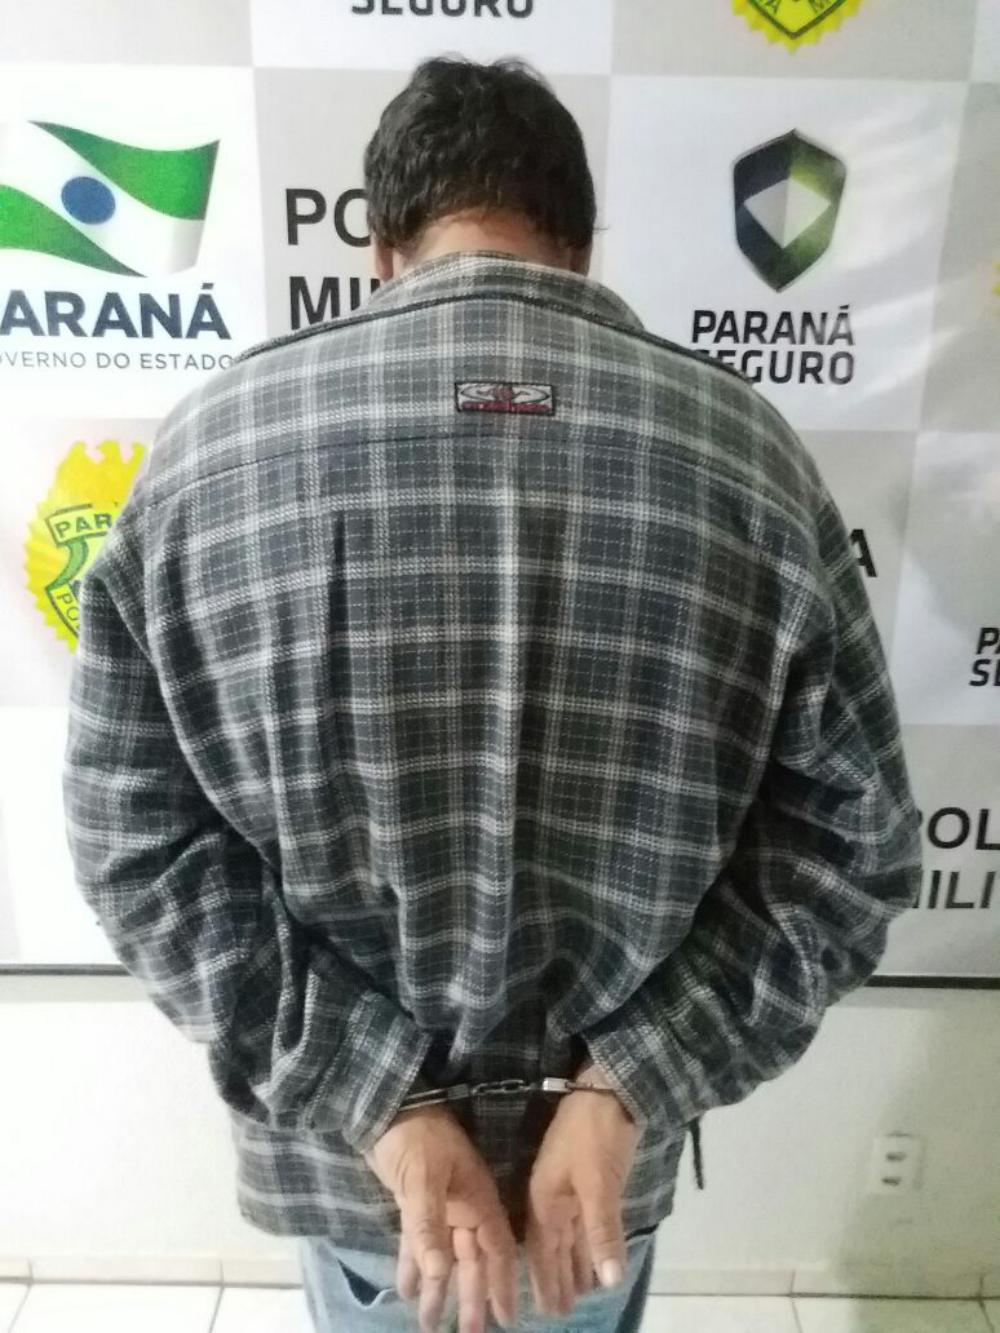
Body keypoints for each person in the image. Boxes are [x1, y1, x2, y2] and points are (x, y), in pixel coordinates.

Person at [63, 53, 923, 1333]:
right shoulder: (749, 458)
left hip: (366, 1184)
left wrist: (384, 1102)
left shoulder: (207, 453)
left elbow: (135, 847)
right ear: (577, 246)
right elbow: (853, 853)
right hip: (599, 1186)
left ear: (381, 248)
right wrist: (628, 1082)